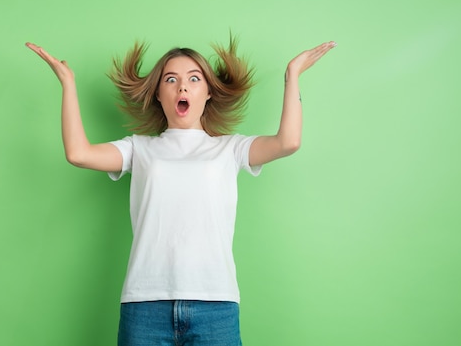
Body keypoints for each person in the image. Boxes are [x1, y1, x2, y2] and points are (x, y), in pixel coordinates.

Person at [26, 37, 336, 346]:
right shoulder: (139, 148)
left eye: (194, 79)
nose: (182, 87)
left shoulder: (230, 148)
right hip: (144, 304)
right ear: (159, 94)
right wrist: (67, 84)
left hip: (215, 303)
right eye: (171, 80)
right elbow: (78, 153)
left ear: (208, 92)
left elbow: (288, 142)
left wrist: (292, 75)